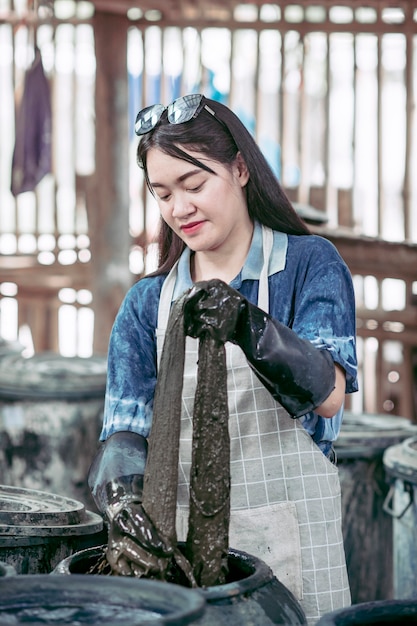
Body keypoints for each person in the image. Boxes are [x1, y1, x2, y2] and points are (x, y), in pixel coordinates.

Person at [88, 93, 358, 625]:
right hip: (186, 554)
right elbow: (124, 432)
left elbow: (327, 394)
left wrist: (247, 323)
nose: (178, 209)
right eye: (162, 193)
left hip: (293, 541)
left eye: (194, 185)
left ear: (239, 169)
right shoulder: (149, 305)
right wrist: (121, 501)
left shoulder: (308, 266)